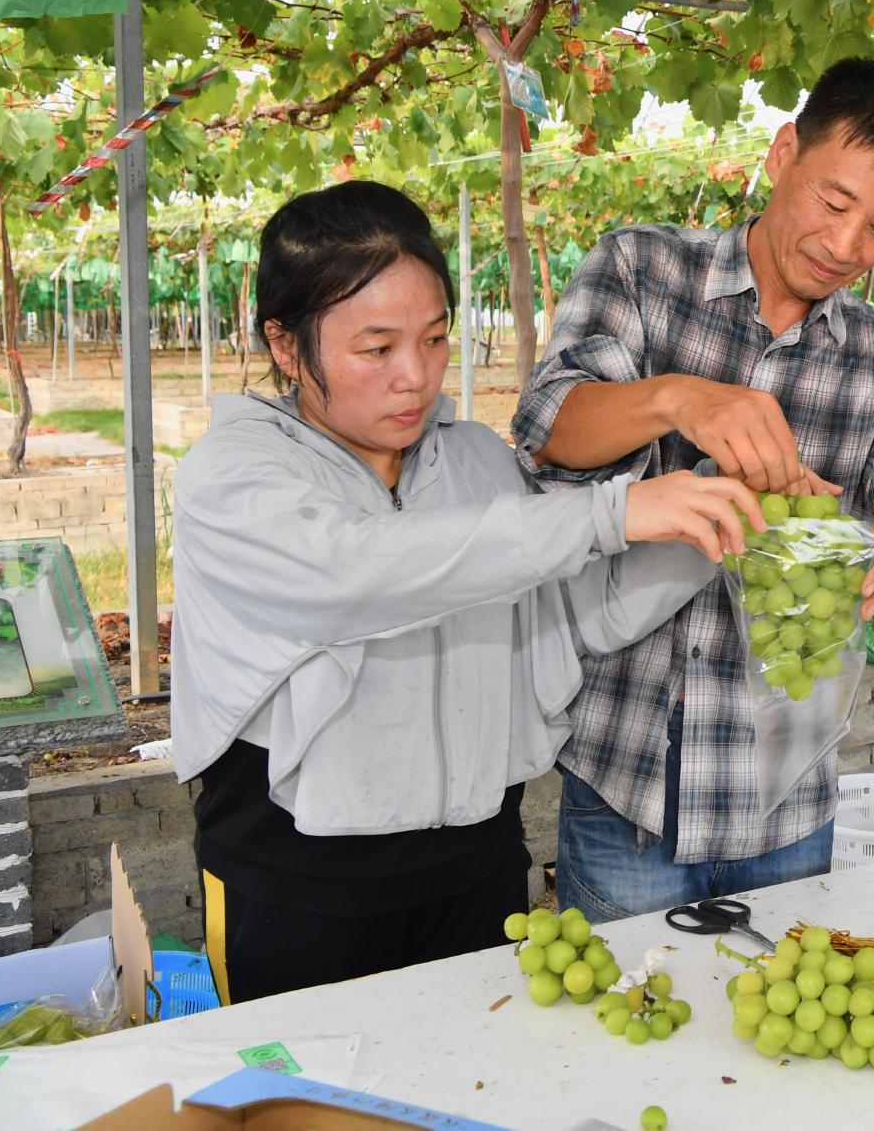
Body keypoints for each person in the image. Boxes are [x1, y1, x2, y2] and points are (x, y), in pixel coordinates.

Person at [171, 182, 763, 1004]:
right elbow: (360, 574)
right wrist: (611, 511)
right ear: (284, 342)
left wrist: (712, 516)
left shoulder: (478, 461)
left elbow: (577, 613)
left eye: (436, 338)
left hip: (475, 871)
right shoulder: (234, 476)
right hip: (300, 886)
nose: (413, 377)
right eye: (375, 350)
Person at [512, 59, 874, 919]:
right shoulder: (644, 271)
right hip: (628, 784)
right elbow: (547, 424)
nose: (846, 248)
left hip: (788, 803)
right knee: (626, 1033)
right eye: (834, 204)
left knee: (771, 1040)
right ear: (782, 152)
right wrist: (676, 397)